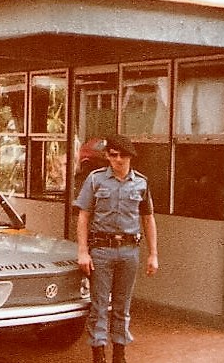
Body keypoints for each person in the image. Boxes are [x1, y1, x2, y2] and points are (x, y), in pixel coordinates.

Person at [73, 134, 158, 363]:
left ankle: (119, 354)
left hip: (129, 250)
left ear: (130, 157)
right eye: (112, 155)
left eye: (122, 155)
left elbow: (148, 219)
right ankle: (98, 355)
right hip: (102, 250)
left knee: (122, 305)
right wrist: (83, 251)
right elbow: (83, 216)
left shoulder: (141, 182)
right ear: (108, 156)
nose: (117, 160)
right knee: (100, 305)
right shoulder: (95, 179)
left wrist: (153, 254)